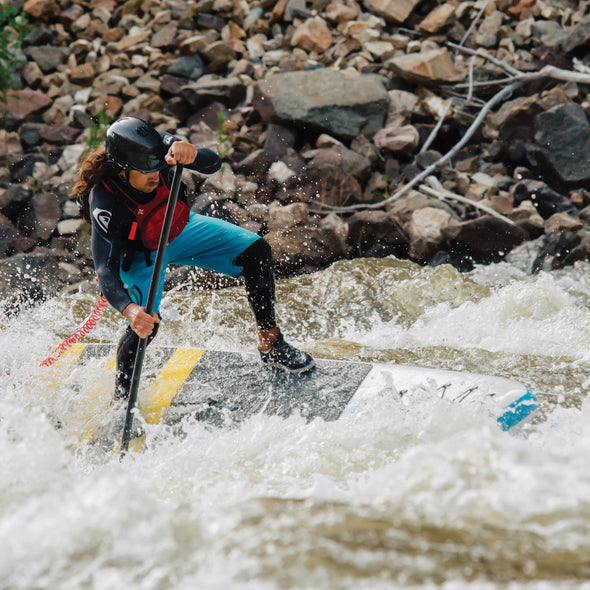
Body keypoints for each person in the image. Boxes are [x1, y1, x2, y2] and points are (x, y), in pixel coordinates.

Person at [72, 116, 315, 402]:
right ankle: (121, 401)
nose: (155, 175)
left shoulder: (161, 147)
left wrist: (193, 153)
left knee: (256, 252)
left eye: (157, 168)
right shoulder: (105, 202)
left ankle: (271, 344)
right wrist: (129, 310)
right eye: (146, 171)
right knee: (145, 325)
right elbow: (105, 269)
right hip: (140, 256)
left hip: (179, 229)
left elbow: (212, 164)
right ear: (123, 170)